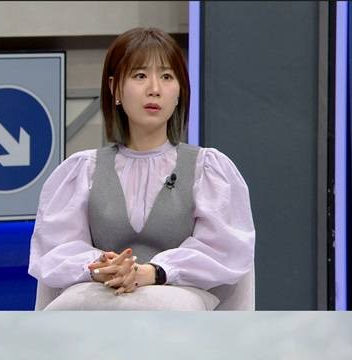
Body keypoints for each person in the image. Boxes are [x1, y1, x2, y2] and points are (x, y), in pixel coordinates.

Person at [29, 27, 255, 311]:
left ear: (180, 92)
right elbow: (56, 251)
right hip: (100, 305)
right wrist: (103, 268)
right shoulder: (82, 170)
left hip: (177, 314)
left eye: (167, 76)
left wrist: (153, 272)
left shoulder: (208, 169)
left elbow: (225, 252)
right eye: (140, 76)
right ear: (115, 88)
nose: (154, 89)